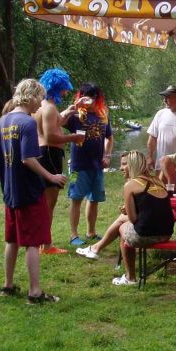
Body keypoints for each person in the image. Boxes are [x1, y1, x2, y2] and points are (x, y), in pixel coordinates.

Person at [0, 78, 67, 304]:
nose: (41, 104)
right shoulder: (27, 123)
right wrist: (51, 176)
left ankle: (8, 286)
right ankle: (35, 292)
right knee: (33, 242)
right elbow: (28, 158)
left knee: (12, 239)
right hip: (30, 191)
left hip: (11, 191)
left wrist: (3, 179)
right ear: (30, 96)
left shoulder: (3, 121)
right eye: (39, 98)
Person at [76, 150, 174, 286]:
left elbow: (133, 219)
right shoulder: (157, 180)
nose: (121, 168)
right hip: (166, 234)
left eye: (124, 164)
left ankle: (130, 278)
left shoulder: (130, 185)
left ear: (133, 164)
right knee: (123, 218)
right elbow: (151, 208)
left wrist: (128, 212)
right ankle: (95, 248)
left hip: (147, 235)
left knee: (123, 228)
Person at [34, 68, 88, 255]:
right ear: (57, 87)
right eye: (64, 88)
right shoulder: (49, 108)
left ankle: (42, 242)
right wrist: (73, 138)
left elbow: (57, 122)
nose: (65, 92)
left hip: (45, 154)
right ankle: (46, 245)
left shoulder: (43, 105)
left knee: (46, 201)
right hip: (49, 154)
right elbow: (50, 136)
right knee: (49, 202)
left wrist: (70, 110)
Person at [65, 83, 114, 246]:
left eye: (93, 97)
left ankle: (91, 232)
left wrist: (107, 156)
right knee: (76, 198)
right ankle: (73, 235)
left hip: (97, 165)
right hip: (77, 166)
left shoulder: (103, 115)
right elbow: (57, 121)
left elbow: (109, 137)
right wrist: (74, 107)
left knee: (94, 199)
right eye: (85, 96)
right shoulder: (76, 115)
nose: (89, 101)